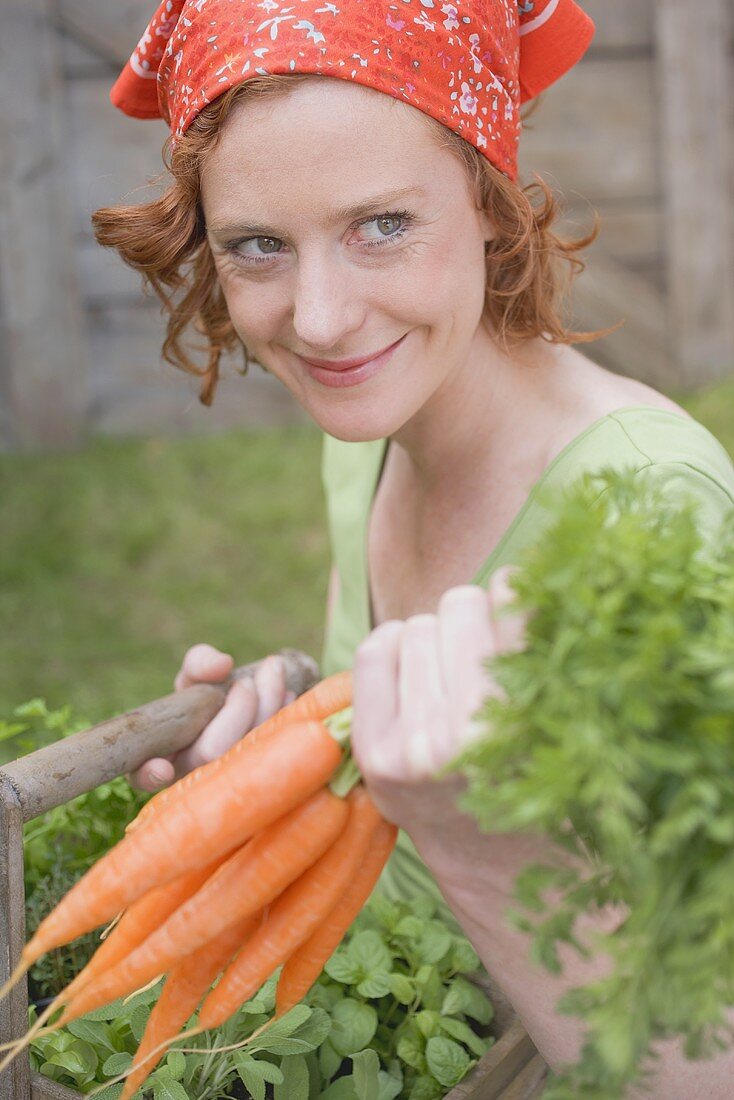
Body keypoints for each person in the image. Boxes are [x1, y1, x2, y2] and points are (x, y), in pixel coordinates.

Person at [96, 0, 734, 1091]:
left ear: (487, 198)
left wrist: (480, 846)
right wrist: (293, 723)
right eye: (259, 245)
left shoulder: (645, 513)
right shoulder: (375, 421)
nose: (322, 318)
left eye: (380, 224)